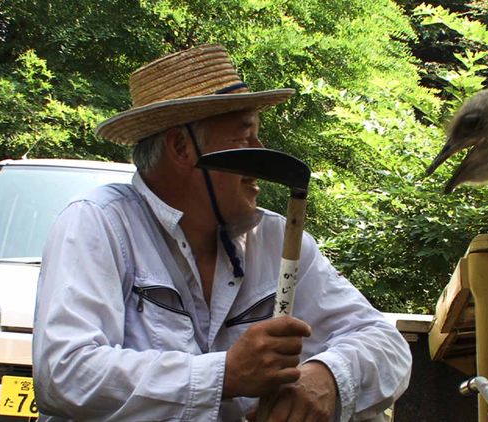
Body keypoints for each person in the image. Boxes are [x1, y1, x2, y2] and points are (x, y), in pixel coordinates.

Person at [33, 44, 412, 421]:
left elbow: (387, 346)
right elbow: (65, 375)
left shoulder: (276, 239)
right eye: (245, 135)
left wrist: (327, 377)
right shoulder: (99, 224)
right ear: (182, 147)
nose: (260, 152)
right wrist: (225, 374)